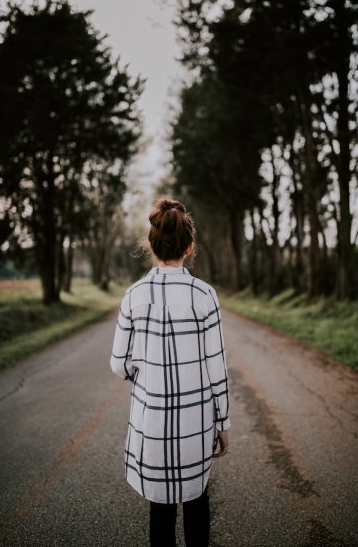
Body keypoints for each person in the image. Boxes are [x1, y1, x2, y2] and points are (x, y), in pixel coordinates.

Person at [110, 197, 230, 547]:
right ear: (190, 247)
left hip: (153, 424)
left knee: (159, 510)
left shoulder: (132, 296)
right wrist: (223, 424)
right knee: (197, 500)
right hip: (196, 423)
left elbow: (118, 364)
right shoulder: (205, 295)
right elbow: (216, 368)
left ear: (151, 245)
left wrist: (148, 379)